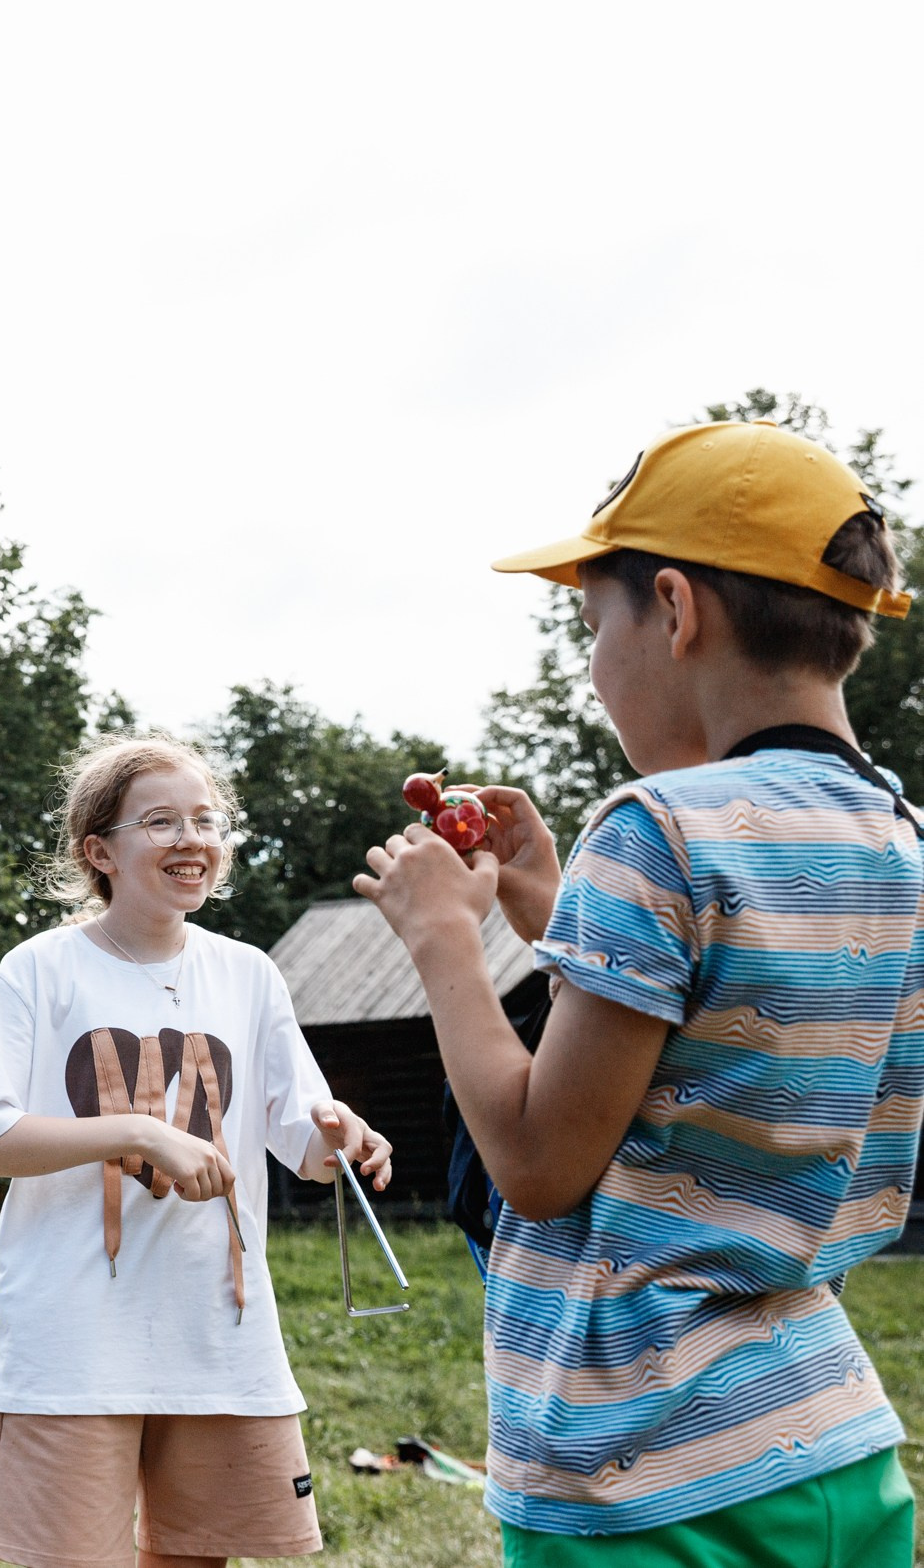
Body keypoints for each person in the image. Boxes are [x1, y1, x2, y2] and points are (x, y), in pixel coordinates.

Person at [355, 418, 921, 1565]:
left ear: (673, 607)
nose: (592, 662)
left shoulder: (655, 827)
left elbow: (537, 1159)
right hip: (832, 1448)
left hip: (646, 1476)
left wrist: (443, 946)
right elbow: (722, 1033)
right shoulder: (898, 838)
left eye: (589, 626)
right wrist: (555, 904)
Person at [0, 732, 395, 1568]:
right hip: (76, 1340)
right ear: (99, 851)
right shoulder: (39, 970)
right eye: (160, 821)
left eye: (206, 819)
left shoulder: (249, 974)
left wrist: (344, 1136)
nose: (191, 839)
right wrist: (140, 1132)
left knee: (197, 1558)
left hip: (215, 1333)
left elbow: (306, 1144)